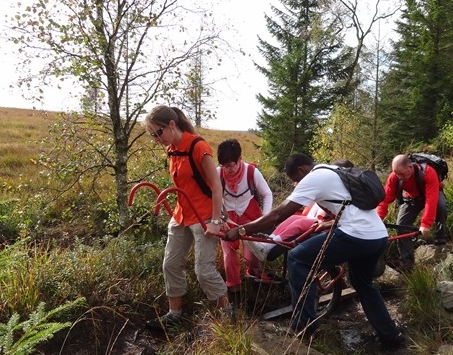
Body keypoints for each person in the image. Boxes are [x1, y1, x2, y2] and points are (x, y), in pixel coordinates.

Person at [224, 153, 405, 348]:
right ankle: (390, 336)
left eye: (296, 181)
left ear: (302, 170)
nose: (297, 185)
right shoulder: (335, 170)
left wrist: (243, 229)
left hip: (356, 235)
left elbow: (279, 213)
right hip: (376, 236)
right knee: (363, 284)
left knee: (298, 258)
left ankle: (305, 328)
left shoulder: (314, 177)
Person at [143, 106, 232, 331]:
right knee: (170, 264)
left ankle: (228, 313)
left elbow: (216, 185)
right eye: (152, 135)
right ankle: (175, 314)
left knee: (203, 270)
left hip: (204, 214)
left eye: (158, 133)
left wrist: (215, 220)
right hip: (182, 214)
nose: (156, 139)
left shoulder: (197, 146)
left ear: (172, 125)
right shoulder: (171, 149)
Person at [244, 159, 354, 262]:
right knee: (294, 217)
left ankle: (268, 246)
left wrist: (326, 223)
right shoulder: (332, 188)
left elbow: (342, 217)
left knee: (300, 222)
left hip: (328, 226)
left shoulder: (345, 193)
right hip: (322, 222)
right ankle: (269, 241)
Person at [216, 138, 274, 290]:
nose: (227, 169)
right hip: (227, 216)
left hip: (250, 214)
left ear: (239, 159)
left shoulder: (251, 172)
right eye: (223, 165)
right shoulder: (218, 174)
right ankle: (234, 287)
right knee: (229, 253)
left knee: (253, 252)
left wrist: (265, 218)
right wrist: (219, 217)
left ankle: (254, 278)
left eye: (230, 165)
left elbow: (267, 194)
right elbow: (212, 197)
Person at [376, 155, 448, 271]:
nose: (401, 178)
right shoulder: (395, 177)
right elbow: (384, 200)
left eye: (403, 174)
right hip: (413, 198)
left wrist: (425, 224)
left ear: (410, 167)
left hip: (432, 193)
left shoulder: (428, 172)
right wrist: (377, 219)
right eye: (398, 175)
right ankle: (407, 263)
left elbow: (431, 199)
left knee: (441, 206)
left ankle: (440, 239)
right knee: (401, 225)